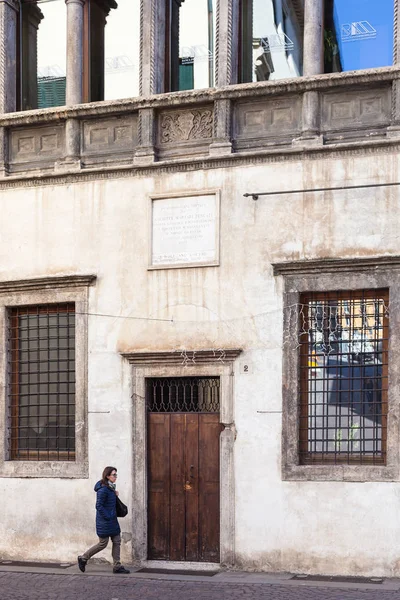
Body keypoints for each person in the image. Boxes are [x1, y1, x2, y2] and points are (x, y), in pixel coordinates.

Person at [78, 466, 130, 574]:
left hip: (112, 520)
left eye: (116, 474)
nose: (116, 477)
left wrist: (115, 495)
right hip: (105, 521)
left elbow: (109, 503)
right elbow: (99, 506)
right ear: (107, 476)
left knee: (117, 541)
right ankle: (83, 558)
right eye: (114, 475)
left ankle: (117, 566)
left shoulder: (110, 488)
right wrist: (108, 516)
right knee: (103, 543)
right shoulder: (102, 489)